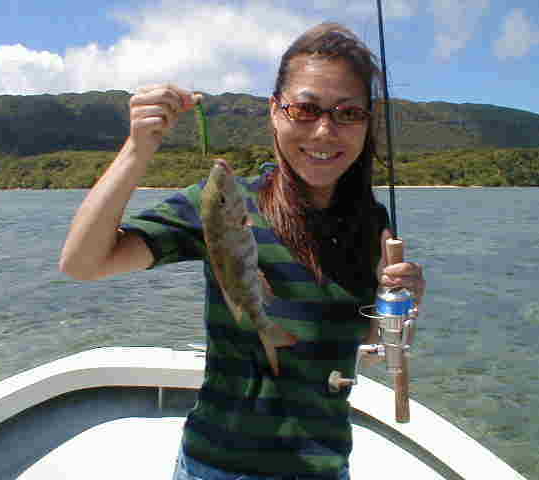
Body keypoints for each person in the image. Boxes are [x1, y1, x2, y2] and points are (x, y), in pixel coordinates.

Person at [60, 22, 425, 480]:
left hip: (325, 467)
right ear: (275, 111)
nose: (324, 131)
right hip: (218, 466)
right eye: (305, 109)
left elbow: (367, 344)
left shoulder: (371, 222)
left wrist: (400, 303)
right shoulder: (221, 205)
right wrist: (137, 150)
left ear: (368, 121)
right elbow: (83, 262)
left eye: (348, 113)